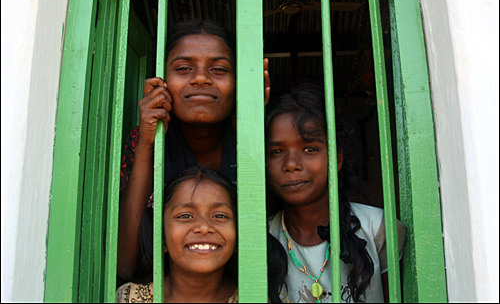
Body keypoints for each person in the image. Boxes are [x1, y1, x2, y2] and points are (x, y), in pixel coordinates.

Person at [118, 19, 270, 280]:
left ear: (239, 81)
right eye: (184, 68)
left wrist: (251, 133)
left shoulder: (263, 140)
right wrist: (146, 142)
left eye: (219, 69)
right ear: (161, 80)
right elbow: (123, 265)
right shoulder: (145, 139)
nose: (200, 78)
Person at [265, 82, 407, 303]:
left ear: (337, 158)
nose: (291, 164)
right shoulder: (262, 238)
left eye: (310, 149)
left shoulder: (379, 228)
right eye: (276, 151)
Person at [116, 167, 239, 303]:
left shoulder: (254, 297)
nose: (204, 227)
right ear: (161, 237)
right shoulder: (132, 297)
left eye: (220, 216)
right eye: (185, 216)